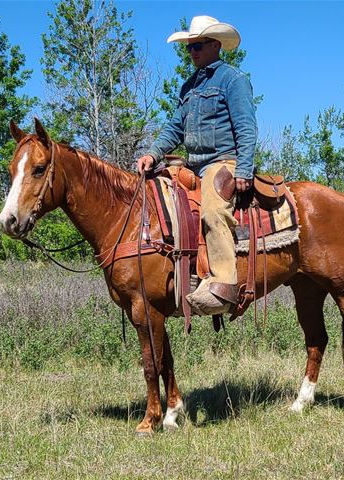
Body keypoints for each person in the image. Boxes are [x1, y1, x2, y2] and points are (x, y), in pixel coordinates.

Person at [137, 15, 257, 315]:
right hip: (192, 165)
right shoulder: (188, 86)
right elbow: (174, 128)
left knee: (214, 210)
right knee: (157, 192)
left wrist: (243, 169)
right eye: (189, 47)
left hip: (223, 161)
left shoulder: (233, 79)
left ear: (216, 45)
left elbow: (246, 127)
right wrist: (152, 153)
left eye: (198, 45)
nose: (192, 52)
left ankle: (224, 285)